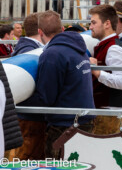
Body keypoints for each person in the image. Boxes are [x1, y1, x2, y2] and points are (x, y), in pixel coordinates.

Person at [21, 10, 95, 158]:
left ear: (40, 32)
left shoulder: (52, 54)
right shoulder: (79, 47)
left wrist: (17, 101)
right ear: (62, 29)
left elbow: (46, 98)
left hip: (64, 125)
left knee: (57, 165)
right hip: (85, 119)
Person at [89, 4, 122, 134]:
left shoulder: (114, 48)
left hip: (109, 115)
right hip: (106, 112)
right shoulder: (109, 46)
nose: (90, 27)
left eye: (93, 23)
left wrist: (96, 71)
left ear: (107, 24)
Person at [11, 13, 45, 160]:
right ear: (41, 30)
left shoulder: (26, 48)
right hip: (29, 118)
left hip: (29, 117)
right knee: (25, 158)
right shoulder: (28, 51)